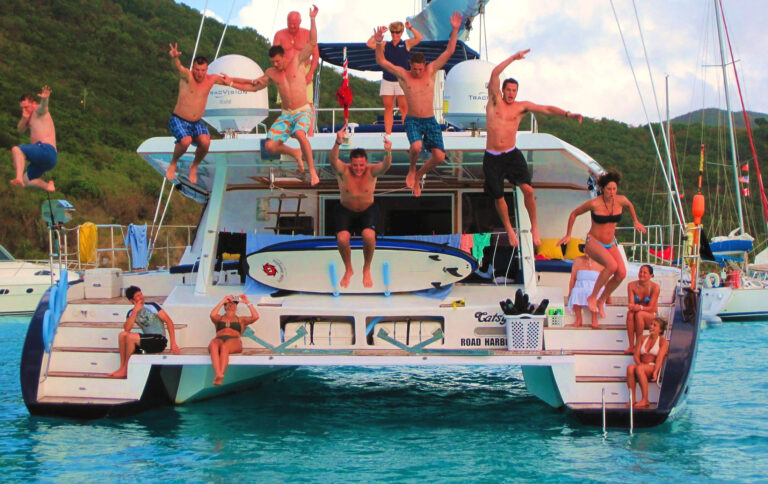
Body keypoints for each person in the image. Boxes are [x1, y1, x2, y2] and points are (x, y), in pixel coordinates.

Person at [485, 50, 583, 247]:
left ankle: (534, 226)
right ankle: (510, 230)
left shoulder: (521, 107)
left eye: (514, 90)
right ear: (502, 90)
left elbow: (545, 109)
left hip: (511, 154)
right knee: (498, 196)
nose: (511, 93)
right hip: (492, 157)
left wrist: (568, 114)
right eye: (509, 90)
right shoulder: (494, 101)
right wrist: (513, 58)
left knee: (528, 190)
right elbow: (495, 73)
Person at [228, 5, 320, 185]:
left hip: (302, 110)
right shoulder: (272, 72)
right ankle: (294, 153)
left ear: (284, 56)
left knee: (300, 134)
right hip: (286, 114)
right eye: (273, 62)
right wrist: (230, 82)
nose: (276, 64)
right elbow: (253, 86)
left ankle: (312, 171)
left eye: (278, 60)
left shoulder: (297, 61)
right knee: (269, 146)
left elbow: (313, 43)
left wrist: (313, 19)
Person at [373, 11, 462, 197]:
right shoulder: (403, 75)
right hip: (413, 120)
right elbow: (381, 60)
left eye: (420, 69)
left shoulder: (430, 70)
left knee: (438, 156)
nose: (418, 72)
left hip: (429, 120)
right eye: (415, 69)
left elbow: (449, 51)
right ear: (410, 66)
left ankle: (420, 175)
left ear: (425, 65)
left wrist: (454, 30)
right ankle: (412, 169)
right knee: (416, 147)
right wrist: (380, 42)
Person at [558, 170, 646, 318]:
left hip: (610, 243)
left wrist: (635, 221)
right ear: (602, 189)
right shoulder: (594, 203)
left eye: (614, 189)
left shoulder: (621, 200)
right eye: (608, 189)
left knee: (621, 273)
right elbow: (574, 214)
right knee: (612, 266)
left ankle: (601, 299)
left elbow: (630, 206)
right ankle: (592, 297)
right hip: (593, 242)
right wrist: (568, 234)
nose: (612, 192)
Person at [329, 124, 392, 288]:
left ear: (366, 163)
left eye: (361, 165)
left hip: (367, 210)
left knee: (369, 236)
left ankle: (366, 269)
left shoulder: (371, 171)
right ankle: (348, 269)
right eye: (355, 165)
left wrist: (387, 151)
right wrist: (337, 142)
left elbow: (385, 166)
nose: (358, 168)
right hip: (345, 210)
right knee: (342, 238)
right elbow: (333, 161)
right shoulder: (343, 170)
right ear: (351, 163)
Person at [166, 43, 231, 184]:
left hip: (196, 122)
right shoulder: (187, 76)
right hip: (179, 119)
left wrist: (250, 82)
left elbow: (230, 82)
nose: (199, 73)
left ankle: (194, 166)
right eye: (197, 69)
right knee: (186, 141)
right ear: (193, 68)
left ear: (206, 70)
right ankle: (173, 162)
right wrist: (174, 58)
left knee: (206, 142)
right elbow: (178, 67)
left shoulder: (211, 79)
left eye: (202, 70)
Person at [108, 285, 181, 378]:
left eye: (141, 294)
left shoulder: (152, 306)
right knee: (122, 335)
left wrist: (173, 343)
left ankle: (125, 369)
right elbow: (127, 329)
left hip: (159, 341)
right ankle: (122, 367)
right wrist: (135, 312)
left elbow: (169, 322)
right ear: (132, 301)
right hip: (147, 342)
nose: (141, 297)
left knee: (130, 337)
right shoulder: (131, 313)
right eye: (138, 296)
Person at [366, 20, 423, 134]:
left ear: (401, 32)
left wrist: (410, 28)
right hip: (387, 79)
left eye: (397, 32)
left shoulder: (405, 44)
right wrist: (377, 35)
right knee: (388, 108)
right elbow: (369, 44)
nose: (395, 35)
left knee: (404, 108)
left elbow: (419, 38)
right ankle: (388, 134)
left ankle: (408, 132)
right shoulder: (385, 44)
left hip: (402, 80)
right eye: (392, 32)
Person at [273, 10, 319, 136]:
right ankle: (286, 132)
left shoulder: (307, 34)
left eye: (294, 23)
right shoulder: (279, 35)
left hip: (304, 70)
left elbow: (316, 55)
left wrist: (310, 73)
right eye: (290, 23)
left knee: (307, 103)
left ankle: (309, 133)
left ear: (300, 21)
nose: (292, 26)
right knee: (285, 103)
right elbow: (275, 55)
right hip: (285, 71)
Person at [10, 86, 57, 192]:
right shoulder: (29, 117)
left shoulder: (38, 111)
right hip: (48, 160)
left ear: (34, 104)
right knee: (26, 181)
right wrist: (24, 118)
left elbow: (44, 107)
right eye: (22, 108)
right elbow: (20, 129)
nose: (24, 110)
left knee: (17, 150)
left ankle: (18, 178)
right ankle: (48, 186)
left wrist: (45, 98)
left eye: (26, 107)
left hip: (46, 150)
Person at [208, 294, 259, 386]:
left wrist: (247, 302)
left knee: (225, 347)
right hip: (219, 339)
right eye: (228, 303)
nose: (231, 305)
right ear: (224, 306)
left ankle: (221, 374)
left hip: (234, 341)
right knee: (213, 343)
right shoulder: (219, 318)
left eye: (233, 303)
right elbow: (212, 315)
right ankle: (218, 373)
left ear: (236, 306)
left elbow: (255, 317)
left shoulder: (241, 320)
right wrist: (222, 301)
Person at [626, 317, 669, 409]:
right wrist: (639, 364)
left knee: (639, 368)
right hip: (641, 366)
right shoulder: (642, 338)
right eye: (651, 324)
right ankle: (632, 398)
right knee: (630, 367)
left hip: (653, 366)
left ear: (660, 330)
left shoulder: (663, 342)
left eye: (655, 325)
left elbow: (659, 358)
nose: (651, 326)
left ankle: (645, 399)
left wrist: (656, 371)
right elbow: (636, 356)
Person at [624, 264, 660, 354]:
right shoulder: (631, 285)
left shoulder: (655, 287)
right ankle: (631, 346)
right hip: (637, 316)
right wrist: (632, 306)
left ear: (651, 276)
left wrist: (640, 307)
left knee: (640, 314)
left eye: (645, 272)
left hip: (652, 316)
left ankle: (638, 345)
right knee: (630, 313)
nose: (642, 274)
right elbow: (631, 303)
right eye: (640, 271)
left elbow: (651, 308)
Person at [567, 244, 604, 328]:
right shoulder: (578, 260)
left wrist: (608, 297)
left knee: (592, 291)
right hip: (581, 286)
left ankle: (594, 319)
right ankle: (579, 319)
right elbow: (573, 278)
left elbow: (605, 280)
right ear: (583, 250)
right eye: (586, 249)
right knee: (575, 291)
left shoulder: (601, 262)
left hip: (596, 287)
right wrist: (569, 293)